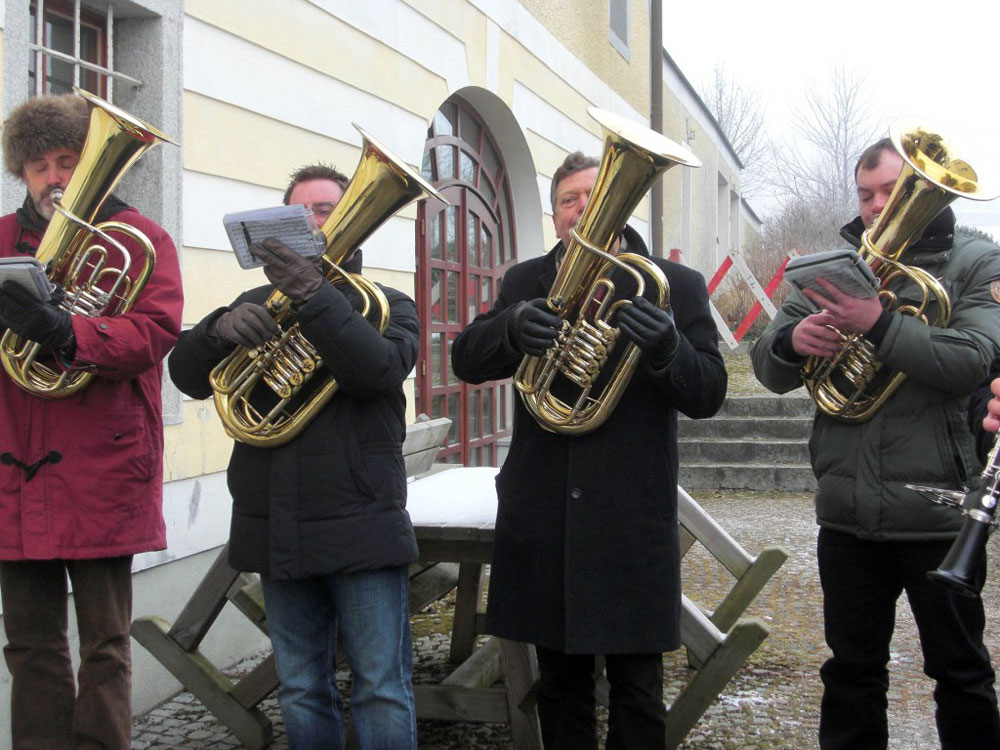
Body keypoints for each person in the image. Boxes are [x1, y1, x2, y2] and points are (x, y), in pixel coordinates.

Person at [451, 151, 727, 749]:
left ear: (622, 205)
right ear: (555, 218)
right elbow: (465, 359)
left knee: (638, 688)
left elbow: (708, 392)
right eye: (569, 201)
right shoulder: (526, 282)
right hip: (545, 508)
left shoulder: (674, 285)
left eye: (593, 196)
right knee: (561, 685)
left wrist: (668, 349)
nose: (583, 209)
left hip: (629, 512)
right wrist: (510, 327)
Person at [751, 136, 1000, 749]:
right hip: (847, 508)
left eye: (892, 191)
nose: (877, 205)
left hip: (937, 510)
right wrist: (792, 342)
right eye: (866, 194)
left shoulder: (977, 261)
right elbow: (768, 365)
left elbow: (972, 359)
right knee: (851, 672)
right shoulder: (830, 265)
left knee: (960, 672)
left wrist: (878, 323)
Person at [167, 164, 420, 749]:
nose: (314, 219)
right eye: (300, 211)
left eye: (327, 208)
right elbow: (187, 377)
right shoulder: (255, 299)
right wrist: (218, 330)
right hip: (277, 519)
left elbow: (377, 372)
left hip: (362, 519)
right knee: (302, 685)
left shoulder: (388, 303)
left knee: (381, 685)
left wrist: (313, 294)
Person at [0, 93, 182, 748]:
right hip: (12, 473)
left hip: (103, 467)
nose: (52, 177)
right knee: (29, 644)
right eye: (39, 165)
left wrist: (66, 330)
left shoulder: (140, 239)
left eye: (66, 161)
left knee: (106, 645)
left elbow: (153, 334)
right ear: (22, 172)